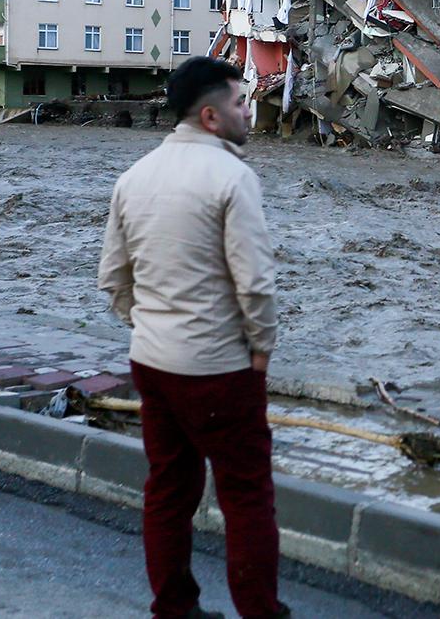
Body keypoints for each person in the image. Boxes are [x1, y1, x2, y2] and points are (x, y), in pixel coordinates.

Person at [98, 57, 287, 619]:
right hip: (219, 368)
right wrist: (260, 349)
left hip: (153, 363)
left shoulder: (134, 177)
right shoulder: (233, 177)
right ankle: (259, 611)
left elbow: (113, 277)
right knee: (247, 496)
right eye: (238, 102)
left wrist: (151, 324)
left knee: (168, 490)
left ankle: (175, 608)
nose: (248, 110)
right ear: (210, 116)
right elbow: (254, 282)